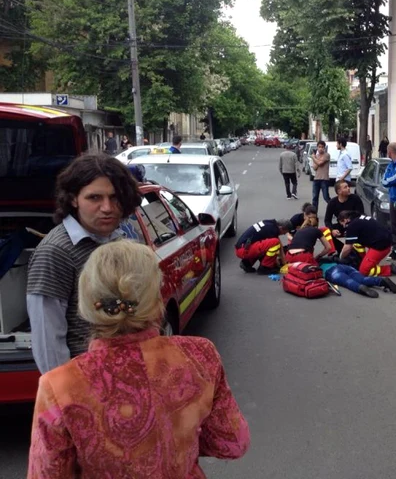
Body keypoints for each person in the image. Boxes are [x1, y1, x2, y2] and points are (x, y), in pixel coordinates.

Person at [27, 241, 250, 477]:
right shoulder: (200, 355)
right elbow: (233, 443)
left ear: (86, 304)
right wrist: (180, 440)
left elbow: (46, 473)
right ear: (155, 298)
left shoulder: (59, 385)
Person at [26, 154, 143, 375]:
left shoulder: (120, 239)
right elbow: (47, 339)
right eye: (94, 198)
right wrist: (66, 396)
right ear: (73, 199)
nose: (107, 207)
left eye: (114, 197)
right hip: (86, 386)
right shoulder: (55, 252)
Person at [338, 211, 396, 278]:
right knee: (356, 243)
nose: (343, 226)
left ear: (345, 220)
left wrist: (341, 257)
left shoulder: (352, 226)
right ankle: (364, 260)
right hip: (383, 240)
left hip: (380, 246)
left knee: (363, 271)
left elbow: (348, 247)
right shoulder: (358, 218)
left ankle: (389, 269)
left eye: (342, 224)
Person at [324, 181, 365, 251]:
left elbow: (360, 215)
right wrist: (332, 230)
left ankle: (357, 251)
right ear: (339, 191)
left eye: (348, 186)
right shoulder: (332, 203)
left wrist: (350, 225)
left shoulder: (355, 198)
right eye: (345, 187)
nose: (349, 188)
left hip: (355, 225)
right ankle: (341, 250)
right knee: (325, 231)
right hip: (342, 225)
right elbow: (327, 220)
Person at [321, 262, 396, 299]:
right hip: (344, 266)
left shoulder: (319, 267)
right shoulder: (330, 261)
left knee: (348, 281)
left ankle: (360, 288)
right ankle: (381, 280)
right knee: (362, 279)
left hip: (332, 272)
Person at [311, 140, 331, 209]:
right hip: (316, 179)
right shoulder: (317, 156)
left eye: (322, 147)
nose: (320, 148)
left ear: (324, 148)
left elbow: (320, 163)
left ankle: (334, 209)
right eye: (319, 147)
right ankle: (314, 213)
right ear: (317, 147)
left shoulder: (327, 155)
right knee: (315, 197)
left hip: (324, 179)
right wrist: (316, 159)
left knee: (326, 197)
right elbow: (315, 167)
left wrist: (314, 158)